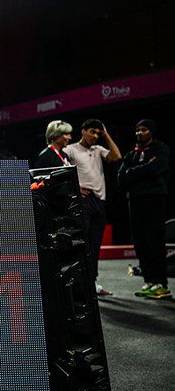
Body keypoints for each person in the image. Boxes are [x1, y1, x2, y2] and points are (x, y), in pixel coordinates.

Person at [63, 119, 122, 296]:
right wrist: (75, 188)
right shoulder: (71, 149)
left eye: (98, 133)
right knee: (82, 243)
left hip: (99, 201)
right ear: (83, 131)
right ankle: (78, 283)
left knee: (95, 244)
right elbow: (60, 170)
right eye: (92, 132)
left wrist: (106, 135)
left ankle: (93, 282)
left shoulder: (98, 150)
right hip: (83, 201)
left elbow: (117, 156)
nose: (95, 136)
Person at [118, 119, 171, 300]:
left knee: (155, 241)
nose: (139, 133)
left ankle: (161, 284)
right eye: (137, 130)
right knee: (140, 242)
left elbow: (156, 168)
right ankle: (149, 281)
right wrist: (141, 172)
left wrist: (132, 173)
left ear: (151, 132)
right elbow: (121, 177)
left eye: (144, 129)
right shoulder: (131, 153)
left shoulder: (161, 149)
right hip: (134, 201)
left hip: (154, 199)